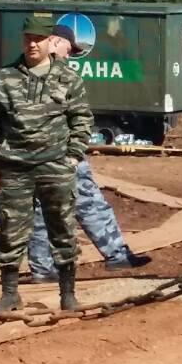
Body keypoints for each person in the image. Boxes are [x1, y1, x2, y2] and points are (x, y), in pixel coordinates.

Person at [0, 15, 93, 313]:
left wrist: (73, 157)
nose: (32, 44)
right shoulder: (4, 77)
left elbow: (82, 120)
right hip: (14, 167)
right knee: (10, 230)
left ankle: (67, 294)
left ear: (50, 41)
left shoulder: (68, 78)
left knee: (62, 229)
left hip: (55, 166)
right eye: (28, 38)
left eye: (38, 39)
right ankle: (10, 294)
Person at [25, 24, 150, 282]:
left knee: (45, 209)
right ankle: (115, 255)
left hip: (48, 154)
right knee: (84, 203)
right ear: (55, 41)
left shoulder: (29, 72)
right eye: (68, 49)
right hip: (57, 155)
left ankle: (43, 268)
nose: (69, 55)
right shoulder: (48, 74)